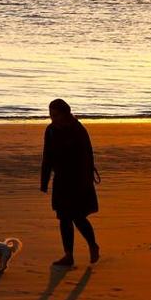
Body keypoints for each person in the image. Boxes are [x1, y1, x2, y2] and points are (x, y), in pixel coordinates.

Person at [40, 98, 100, 267]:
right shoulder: (50, 130)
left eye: (55, 115)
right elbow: (47, 157)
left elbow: (88, 157)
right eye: (50, 114)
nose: (52, 118)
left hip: (78, 180)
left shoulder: (77, 129)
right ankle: (68, 255)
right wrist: (44, 181)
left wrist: (86, 183)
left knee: (77, 216)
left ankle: (92, 245)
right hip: (60, 180)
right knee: (63, 218)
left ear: (65, 113)